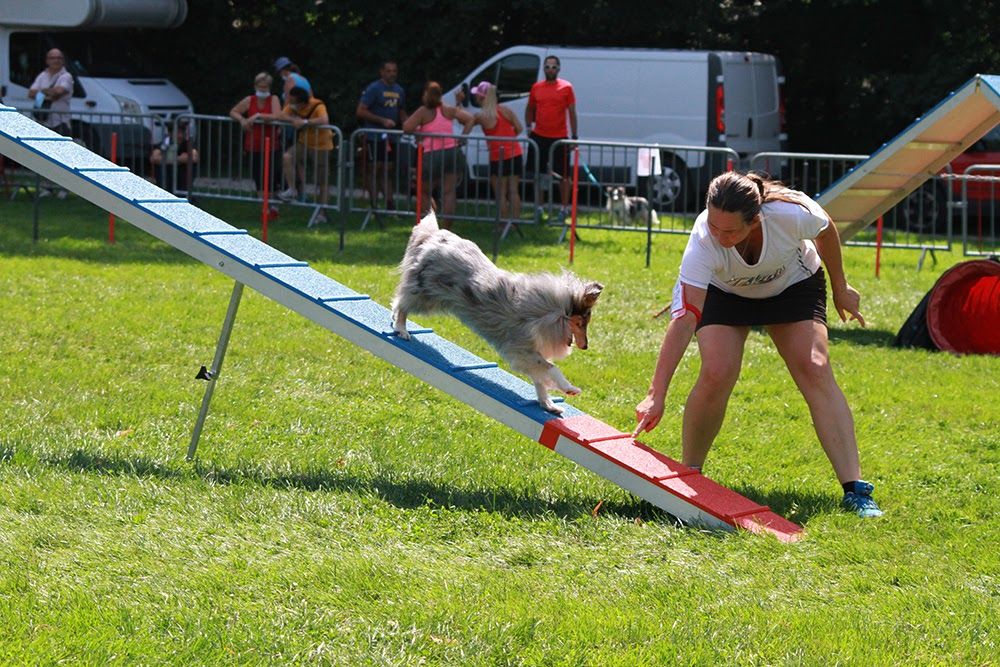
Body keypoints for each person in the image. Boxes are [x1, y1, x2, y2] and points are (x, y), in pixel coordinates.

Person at [633, 171, 883, 518]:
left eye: (731, 230)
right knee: (718, 371)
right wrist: (656, 393)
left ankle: (855, 489)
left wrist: (841, 286)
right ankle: (688, 478)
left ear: (755, 219)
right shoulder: (704, 240)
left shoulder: (790, 214)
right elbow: (685, 318)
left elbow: (825, 229)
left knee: (814, 367)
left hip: (793, 285)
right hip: (725, 293)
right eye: (715, 227)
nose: (720, 237)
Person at [403, 81, 473, 229]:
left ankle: (431, 228)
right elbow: (469, 119)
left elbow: (407, 127)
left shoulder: (423, 111)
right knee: (449, 193)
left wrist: (419, 132)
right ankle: (447, 231)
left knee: (424, 192)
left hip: (432, 154)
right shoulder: (448, 110)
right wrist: (462, 138)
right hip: (452, 152)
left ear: (425, 95)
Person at [267, 86, 333, 226]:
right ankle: (292, 189)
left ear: (302, 102)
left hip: (321, 146)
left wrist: (305, 122)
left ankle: (322, 213)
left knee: (322, 181)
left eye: (292, 101)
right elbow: (281, 115)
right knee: (287, 157)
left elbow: (324, 120)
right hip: (304, 143)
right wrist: (293, 120)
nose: (290, 103)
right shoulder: (293, 106)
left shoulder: (317, 105)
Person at [524, 55, 577, 223]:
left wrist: (574, 136)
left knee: (564, 177)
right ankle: (539, 208)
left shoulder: (566, 87)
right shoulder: (536, 87)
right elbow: (529, 109)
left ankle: (563, 209)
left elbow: (572, 113)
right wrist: (528, 128)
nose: (550, 70)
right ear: (544, 69)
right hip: (539, 136)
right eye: (547, 67)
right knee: (539, 175)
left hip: (560, 137)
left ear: (559, 69)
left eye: (554, 67)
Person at [463, 81, 524, 223]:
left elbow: (466, 130)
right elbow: (519, 128)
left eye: (477, 95)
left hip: (498, 157)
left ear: (481, 97)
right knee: (514, 191)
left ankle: (502, 224)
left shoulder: (480, 116)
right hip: (515, 153)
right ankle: (515, 223)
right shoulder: (505, 110)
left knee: (500, 193)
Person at [356, 60, 408, 212]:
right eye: (389, 71)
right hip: (374, 136)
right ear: (382, 72)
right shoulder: (374, 88)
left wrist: (409, 124)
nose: (392, 74)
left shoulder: (399, 90)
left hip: (390, 138)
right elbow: (360, 111)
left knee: (388, 169)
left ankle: (390, 205)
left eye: (394, 71)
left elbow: (402, 111)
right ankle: (373, 204)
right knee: (375, 169)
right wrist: (382, 120)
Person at [230, 72, 282, 218]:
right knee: (258, 176)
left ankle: (273, 207)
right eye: (260, 87)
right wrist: (242, 120)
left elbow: (278, 116)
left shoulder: (274, 99)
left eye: (265, 87)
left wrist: (259, 116)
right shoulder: (249, 100)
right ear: (255, 86)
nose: (263, 90)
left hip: (271, 145)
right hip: (253, 145)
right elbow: (233, 111)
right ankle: (264, 209)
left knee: (271, 176)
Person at [28, 48, 74, 198]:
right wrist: (48, 92)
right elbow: (30, 93)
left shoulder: (66, 76)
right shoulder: (43, 75)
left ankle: (63, 188)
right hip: (44, 122)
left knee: (62, 157)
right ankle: (47, 187)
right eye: (53, 58)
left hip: (60, 122)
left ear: (63, 61)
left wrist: (43, 92)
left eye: (59, 58)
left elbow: (59, 92)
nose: (56, 60)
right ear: (47, 60)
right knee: (45, 156)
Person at [149, 119, 199, 194]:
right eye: (177, 133)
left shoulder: (188, 143)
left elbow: (194, 157)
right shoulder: (165, 143)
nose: (180, 136)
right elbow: (154, 158)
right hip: (166, 178)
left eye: (182, 132)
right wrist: (178, 159)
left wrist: (167, 160)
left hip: (183, 180)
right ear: (170, 133)